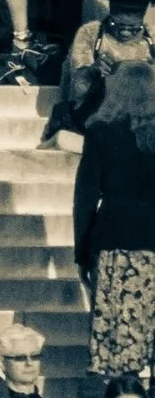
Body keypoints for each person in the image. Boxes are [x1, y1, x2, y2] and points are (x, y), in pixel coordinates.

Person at [76, 59, 155, 379]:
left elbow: (84, 197)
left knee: (122, 344)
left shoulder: (101, 129)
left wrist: (81, 252)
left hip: (117, 246)